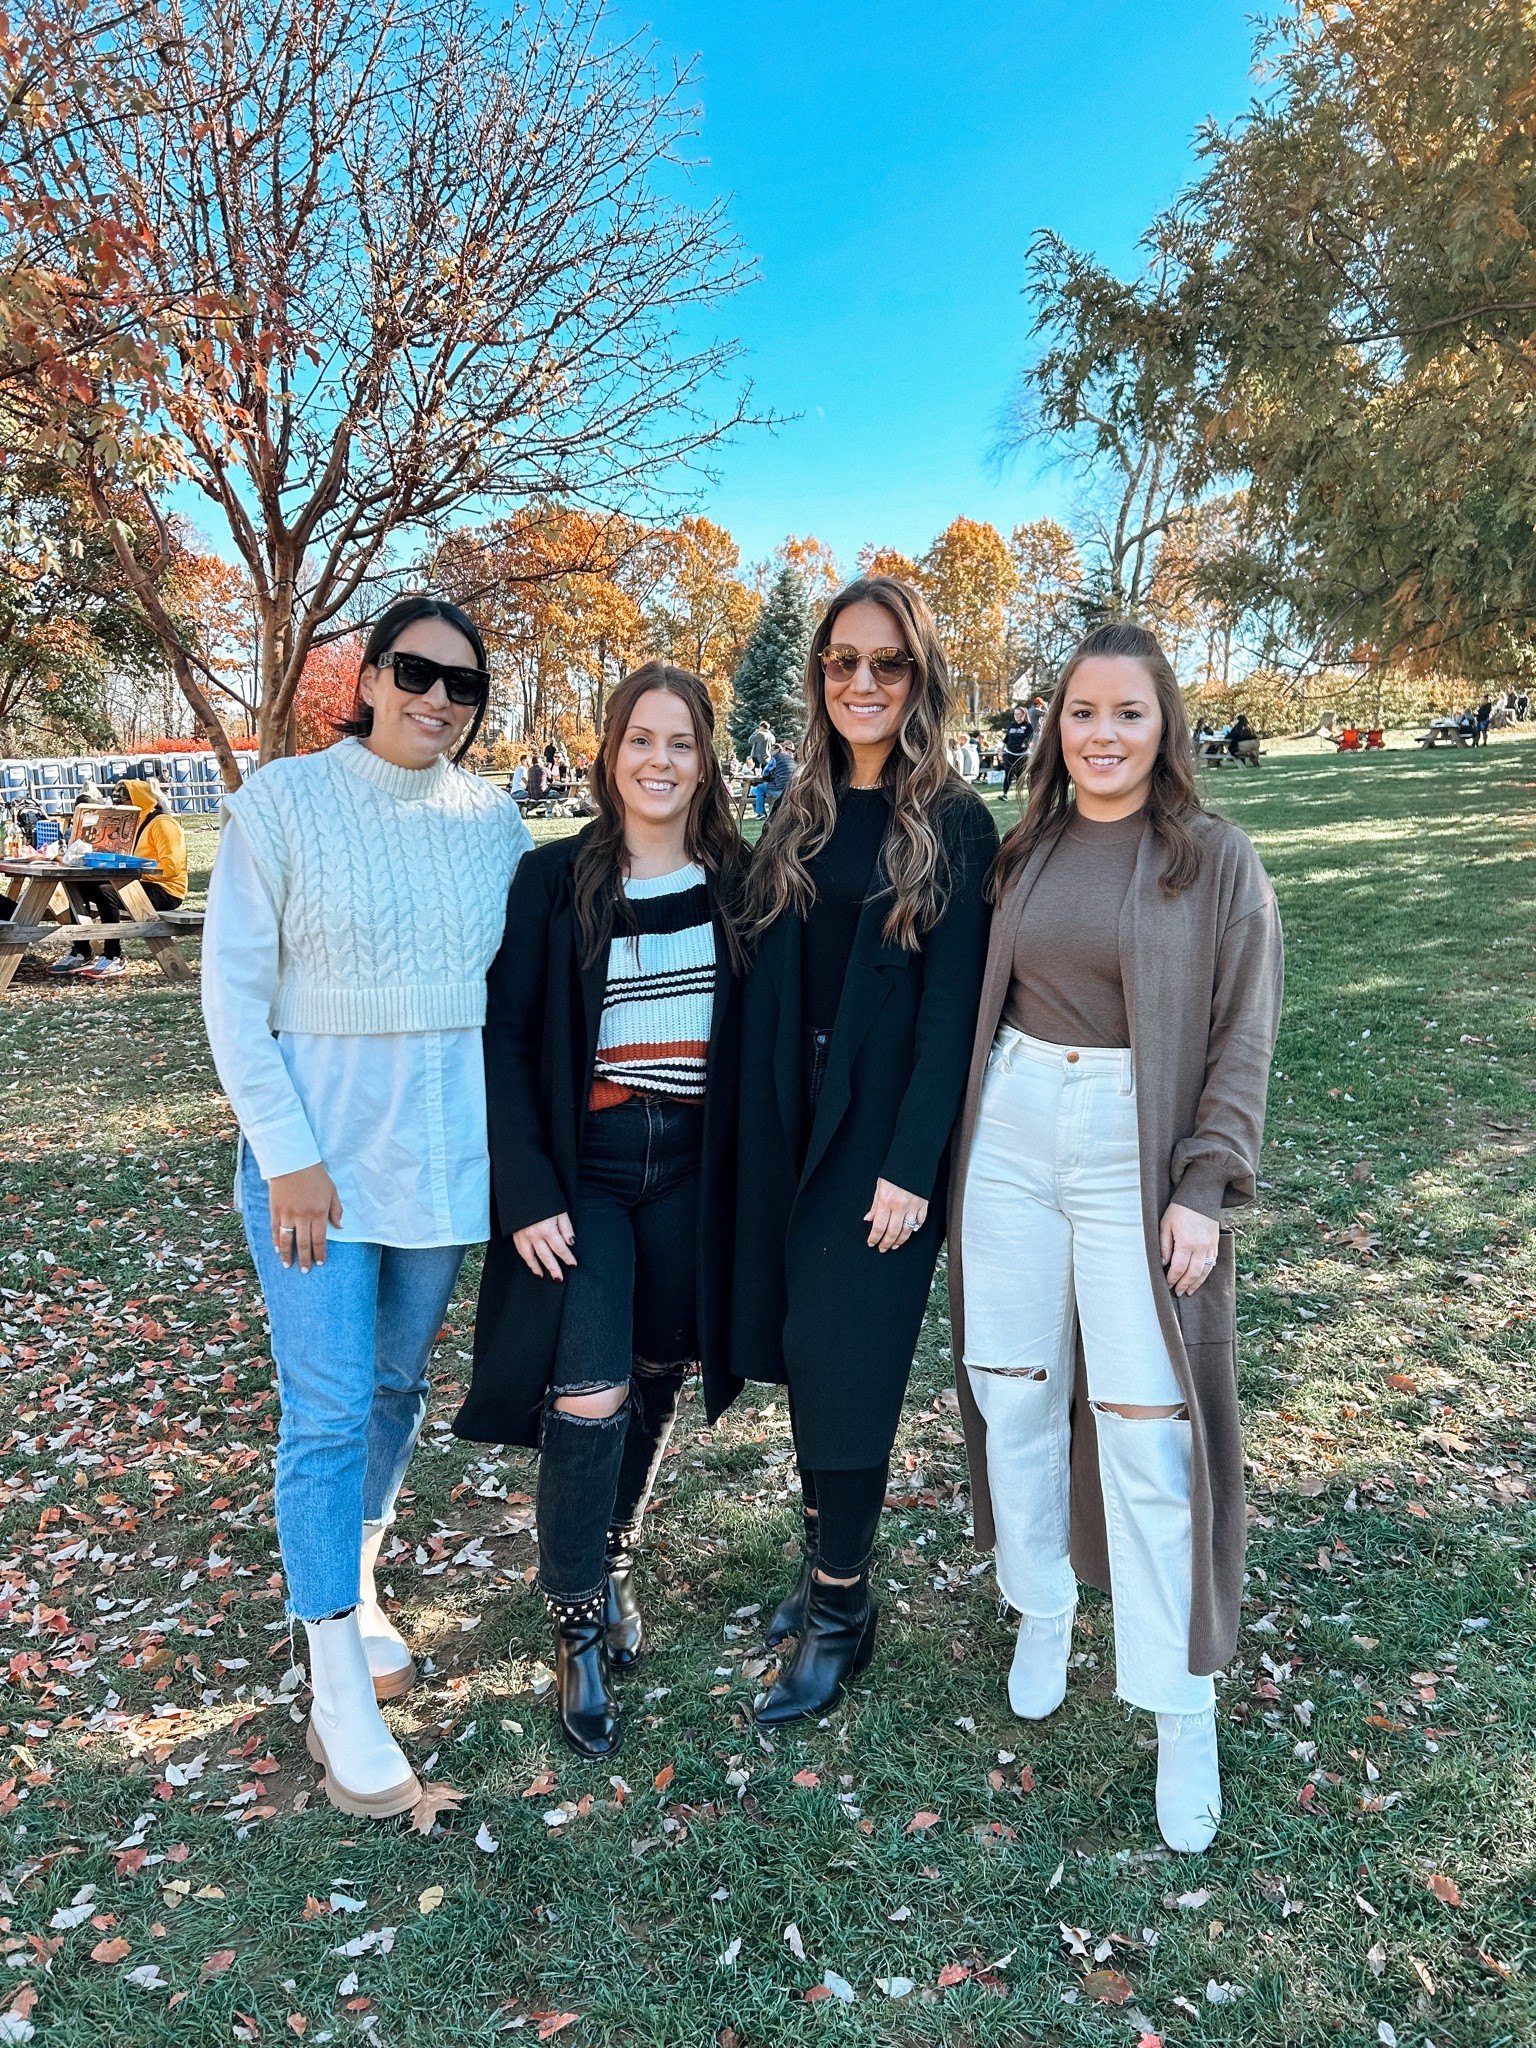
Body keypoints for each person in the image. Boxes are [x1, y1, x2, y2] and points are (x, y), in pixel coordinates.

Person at [948, 621, 1282, 1855]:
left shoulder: (1214, 860)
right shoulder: (1023, 847)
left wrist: (1204, 1182)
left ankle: (1178, 1704)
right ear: (1057, 726)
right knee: (1013, 1386)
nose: (1101, 733)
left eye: (1127, 713)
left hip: (1134, 1145)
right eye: (1081, 711)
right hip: (1014, 1123)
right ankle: (1043, 1604)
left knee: (1146, 1423)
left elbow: (1244, 1034)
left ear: (1165, 726)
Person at [201, 596, 531, 1819]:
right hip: (316, 1173)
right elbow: (235, 995)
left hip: (440, 1172)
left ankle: (358, 1572)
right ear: (372, 675)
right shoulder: (281, 802)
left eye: (464, 683)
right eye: (415, 671)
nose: (437, 697)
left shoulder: (492, 819)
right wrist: (286, 1151)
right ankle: (332, 1674)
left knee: (395, 1388)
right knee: (330, 1406)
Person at [455, 662, 743, 1759]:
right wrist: (524, 1188)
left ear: (705, 758)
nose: (660, 760)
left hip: (694, 1160)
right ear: (609, 751)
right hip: (591, 1166)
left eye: (681, 741)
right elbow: (510, 1036)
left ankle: (614, 1552)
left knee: (662, 1364)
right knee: (590, 1390)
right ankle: (575, 1619)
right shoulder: (554, 880)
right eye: (641, 739)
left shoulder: (736, 878)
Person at [731, 574, 996, 1724]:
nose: (863, 682)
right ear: (820, 675)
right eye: (844, 661)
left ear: (919, 676)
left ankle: (844, 1608)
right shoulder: (800, 809)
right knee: (801, 1340)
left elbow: (952, 1013)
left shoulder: (955, 823)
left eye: (887, 663)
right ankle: (821, 1568)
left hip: (881, 1129)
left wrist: (911, 1164)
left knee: (851, 1364)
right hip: (791, 1107)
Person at [50, 777, 188, 980]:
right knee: (77, 884)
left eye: (121, 801)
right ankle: (81, 950)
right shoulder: (129, 825)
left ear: (137, 800)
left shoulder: (163, 824)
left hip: (165, 890)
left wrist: (131, 869)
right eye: (114, 800)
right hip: (133, 882)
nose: (116, 805)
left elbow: (171, 868)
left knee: (106, 891)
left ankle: (113, 954)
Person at [752, 739, 796, 817]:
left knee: (759, 788)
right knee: (764, 788)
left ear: (772, 752)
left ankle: (760, 813)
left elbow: (765, 772)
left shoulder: (775, 758)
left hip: (780, 789)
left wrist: (767, 777)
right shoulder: (790, 758)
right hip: (791, 787)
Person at [1000, 702, 1031, 799]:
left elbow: (1030, 738)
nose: (1016, 716)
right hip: (1010, 754)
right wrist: (1000, 750)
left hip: (1022, 755)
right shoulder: (1011, 726)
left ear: (1024, 715)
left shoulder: (1027, 726)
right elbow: (1006, 740)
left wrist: (1025, 744)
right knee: (1008, 774)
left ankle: (1021, 794)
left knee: (1020, 776)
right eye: (1015, 714)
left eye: (1018, 714)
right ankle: (1004, 794)